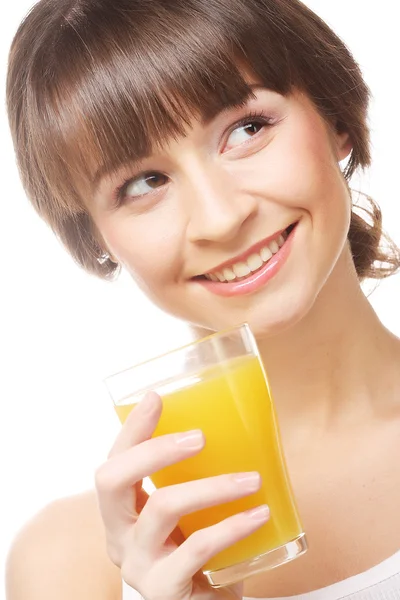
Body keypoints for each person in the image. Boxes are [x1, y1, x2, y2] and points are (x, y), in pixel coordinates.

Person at [5, 0, 400, 599]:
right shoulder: (71, 568)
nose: (219, 218)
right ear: (97, 238)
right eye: (144, 183)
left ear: (336, 118)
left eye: (246, 129)